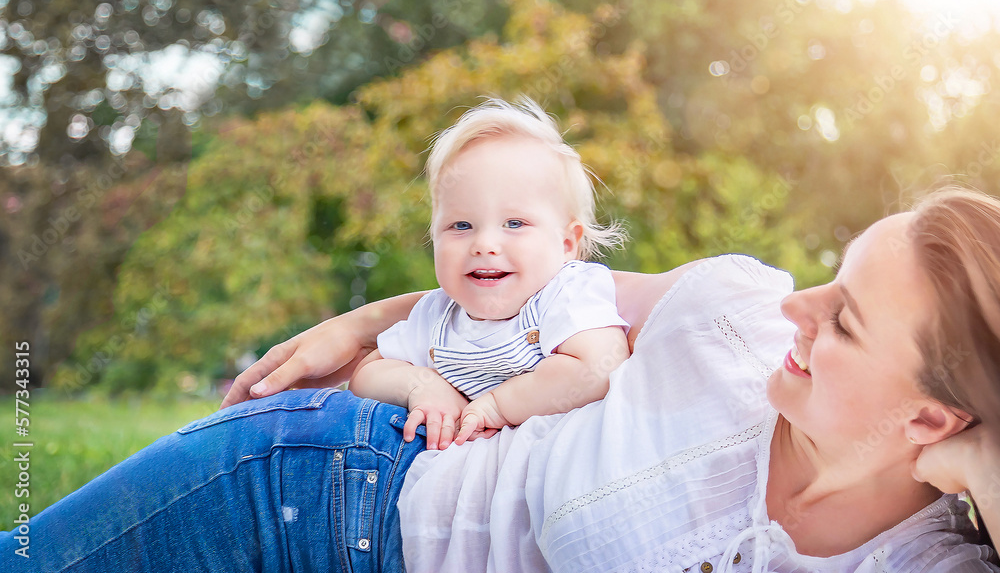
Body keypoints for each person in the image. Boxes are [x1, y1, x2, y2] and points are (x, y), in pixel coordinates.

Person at [5, 188, 1000, 572]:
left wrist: (980, 456)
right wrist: (351, 328)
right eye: (831, 274)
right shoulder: (733, 311)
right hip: (316, 488)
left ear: (932, 413)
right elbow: (525, 291)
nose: (800, 306)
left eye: (846, 318)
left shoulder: (923, 565)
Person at [348, 98, 630, 450]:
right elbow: (366, 375)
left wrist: (497, 405)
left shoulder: (565, 292)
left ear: (567, 244)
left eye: (514, 223)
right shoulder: (437, 316)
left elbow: (598, 367)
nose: (484, 244)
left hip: (552, 473)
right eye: (461, 225)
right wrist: (422, 385)